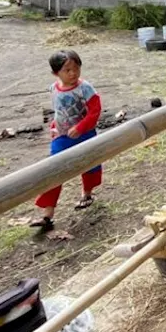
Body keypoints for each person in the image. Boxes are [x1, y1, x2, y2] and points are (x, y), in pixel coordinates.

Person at [30, 50, 102, 230]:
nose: (73, 73)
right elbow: (58, 111)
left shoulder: (85, 88)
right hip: (62, 136)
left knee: (90, 165)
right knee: (55, 169)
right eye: (67, 70)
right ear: (56, 73)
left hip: (84, 134)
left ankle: (87, 194)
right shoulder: (54, 88)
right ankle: (47, 214)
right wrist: (54, 127)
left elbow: (95, 111)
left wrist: (81, 127)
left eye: (76, 68)